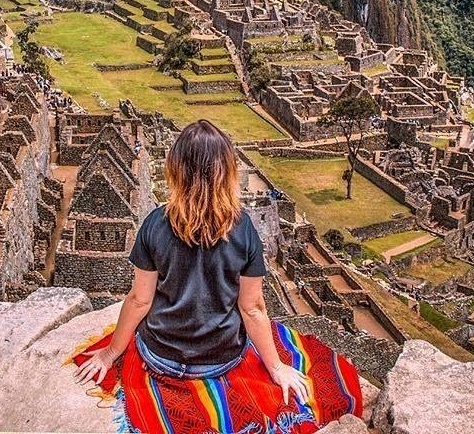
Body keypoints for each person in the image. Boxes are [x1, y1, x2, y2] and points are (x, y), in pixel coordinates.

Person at [74, 120, 308, 406]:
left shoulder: (155, 224)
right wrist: (276, 367)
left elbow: (139, 300)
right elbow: (252, 308)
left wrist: (110, 353)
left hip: (160, 356)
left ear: (176, 169)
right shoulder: (243, 228)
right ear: (226, 173)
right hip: (220, 360)